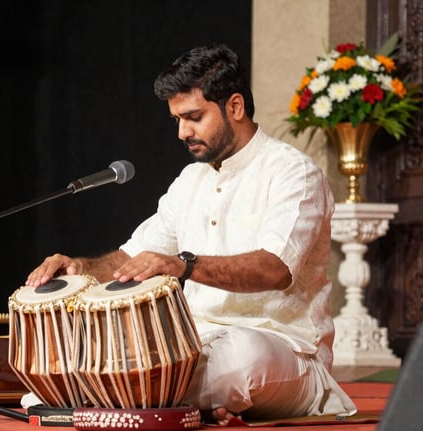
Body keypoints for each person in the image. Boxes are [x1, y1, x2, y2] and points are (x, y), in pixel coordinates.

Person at [24, 44, 357, 425]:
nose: (183, 132)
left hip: (285, 349)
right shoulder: (190, 180)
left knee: (243, 362)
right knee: (114, 349)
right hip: (194, 347)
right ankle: (158, 400)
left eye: (193, 117)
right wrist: (79, 268)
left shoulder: (293, 173)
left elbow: (275, 269)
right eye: (177, 120)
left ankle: (94, 400)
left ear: (234, 107)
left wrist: (184, 266)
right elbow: (133, 257)